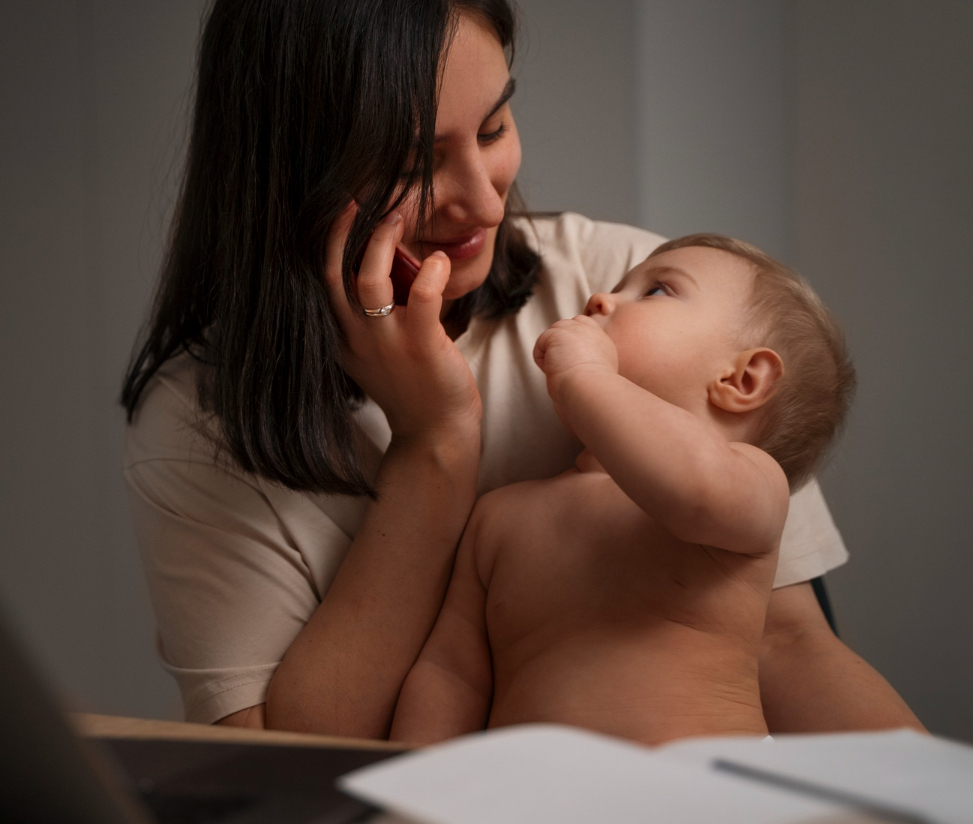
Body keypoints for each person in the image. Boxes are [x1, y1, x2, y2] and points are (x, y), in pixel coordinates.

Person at [121, 0, 919, 738]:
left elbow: (788, 644)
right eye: (416, 163)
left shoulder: (627, 279)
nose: (487, 203)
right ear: (294, 180)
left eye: (495, 126)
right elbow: (294, 761)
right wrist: (435, 444)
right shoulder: (198, 425)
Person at [390, 235, 911, 745]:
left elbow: (694, 493)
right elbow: (450, 673)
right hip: (540, 804)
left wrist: (586, 375)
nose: (599, 298)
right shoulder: (499, 515)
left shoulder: (750, 483)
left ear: (742, 379)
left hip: (705, 790)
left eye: (657, 290)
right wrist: (412, 785)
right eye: (618, 285)